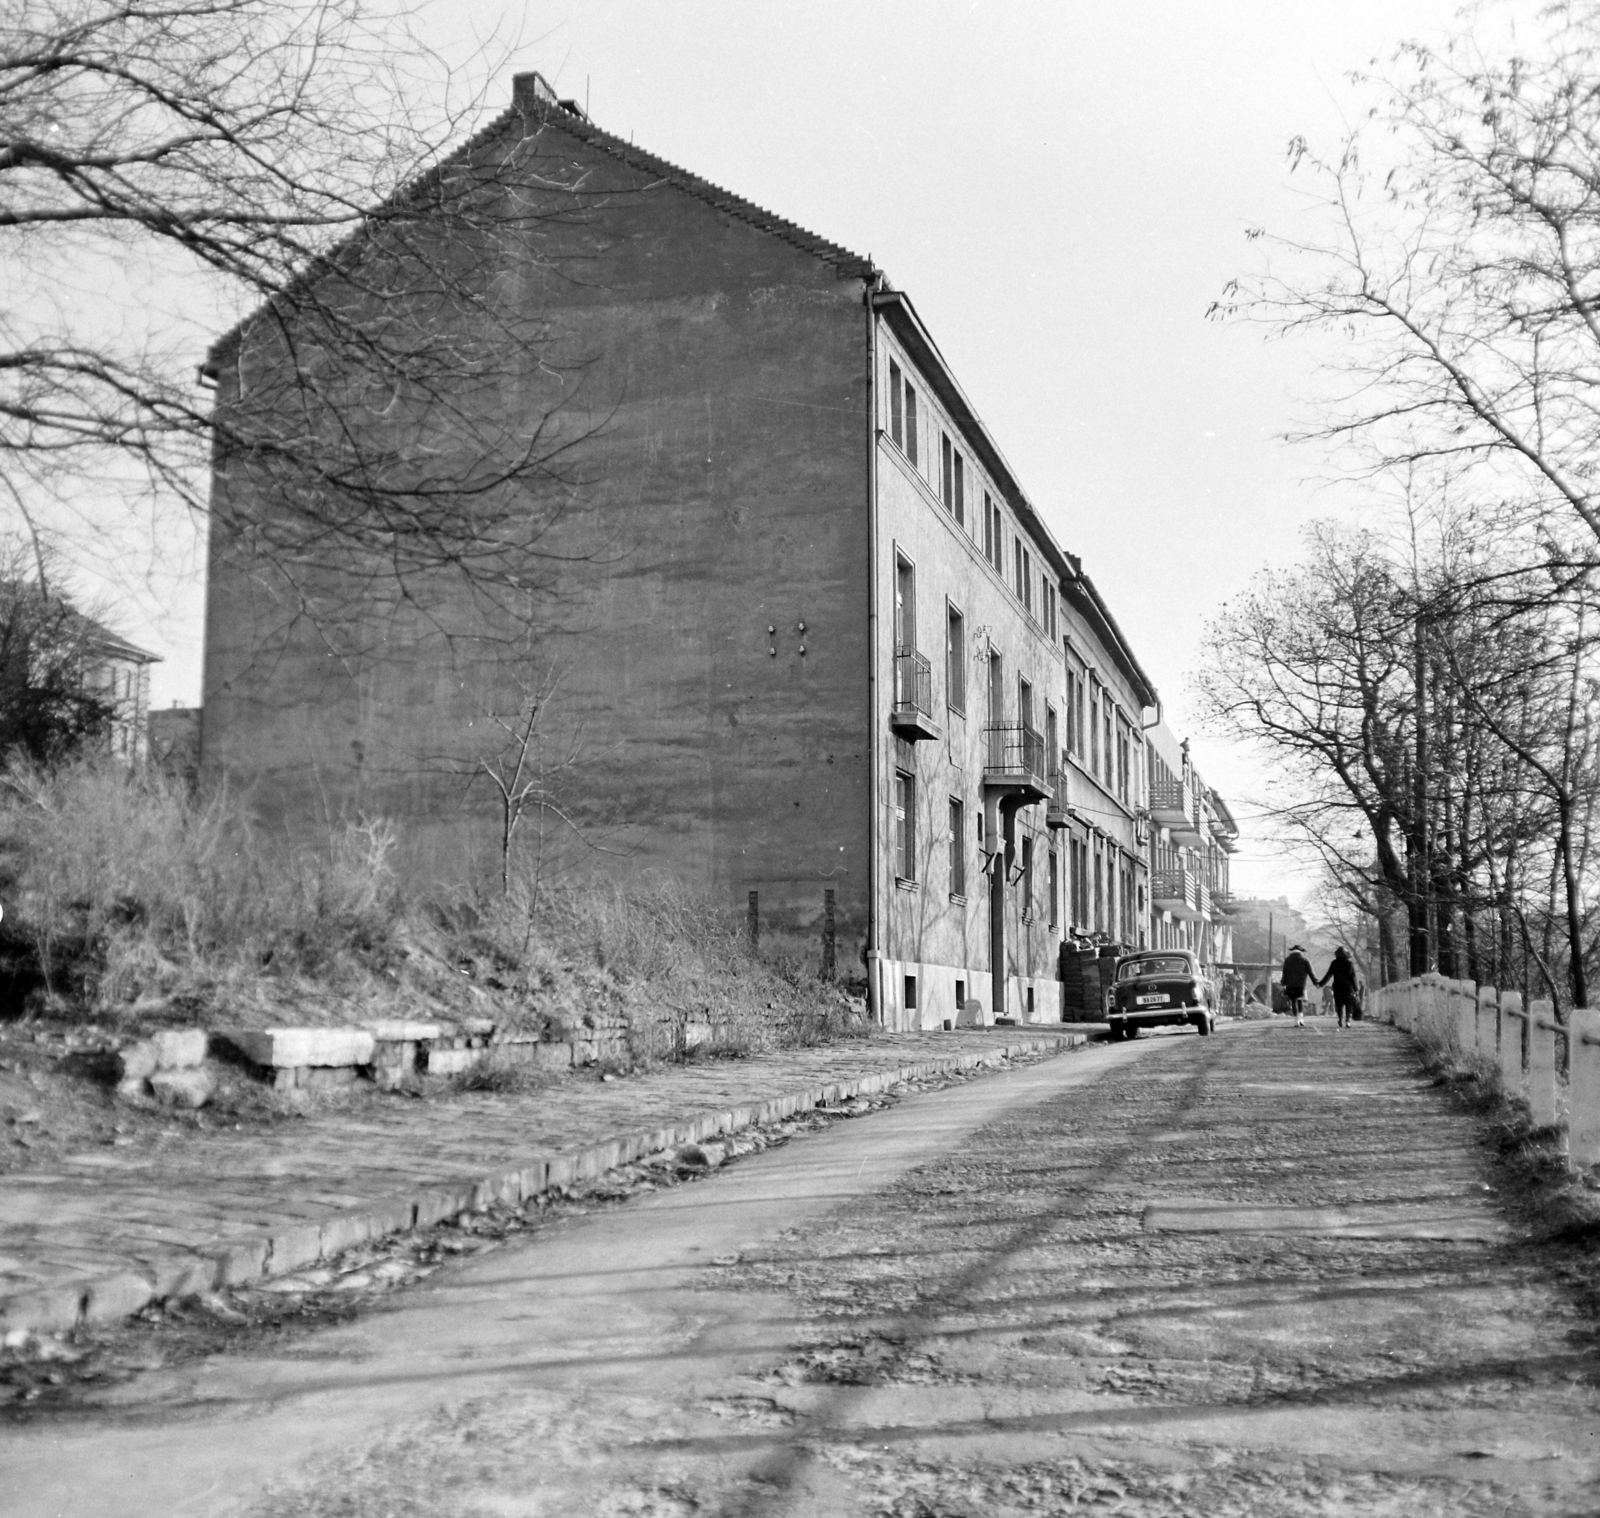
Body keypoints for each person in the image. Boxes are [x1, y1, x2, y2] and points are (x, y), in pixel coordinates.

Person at [1317, 946, 1361, 1028]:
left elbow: (1328, 975)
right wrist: (1356, 989)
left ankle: (1340, 1019)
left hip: (1337, 987)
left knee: (1339, 1005)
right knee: (1349, 1004)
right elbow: (1353, 977)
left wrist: (1321, 984)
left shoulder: (1334, 963)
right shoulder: (1349, 963)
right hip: (1348, 988)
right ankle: (1348, 1021)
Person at [1281, 944, 1314, 1027]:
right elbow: (1310, 972)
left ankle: (1296, 1020)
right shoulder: (1305, 960)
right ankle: (1301, 1020)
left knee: (1293, 1001)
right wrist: (1315, 982)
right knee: (1300, 1001)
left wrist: (1283, 982)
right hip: (1301, 985)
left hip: (1290, 984)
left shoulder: (1287, 960)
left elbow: (1285, 972)